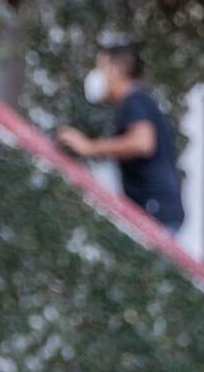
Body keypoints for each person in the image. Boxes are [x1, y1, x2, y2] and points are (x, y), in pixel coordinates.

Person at [56, 43, 184, 233]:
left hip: (155, 211)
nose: (97, 74)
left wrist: (90, 147)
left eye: (101, 67)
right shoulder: (136, 101)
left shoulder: (135, 100)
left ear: (118, 69)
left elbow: (142, 143)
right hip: (156, 209)